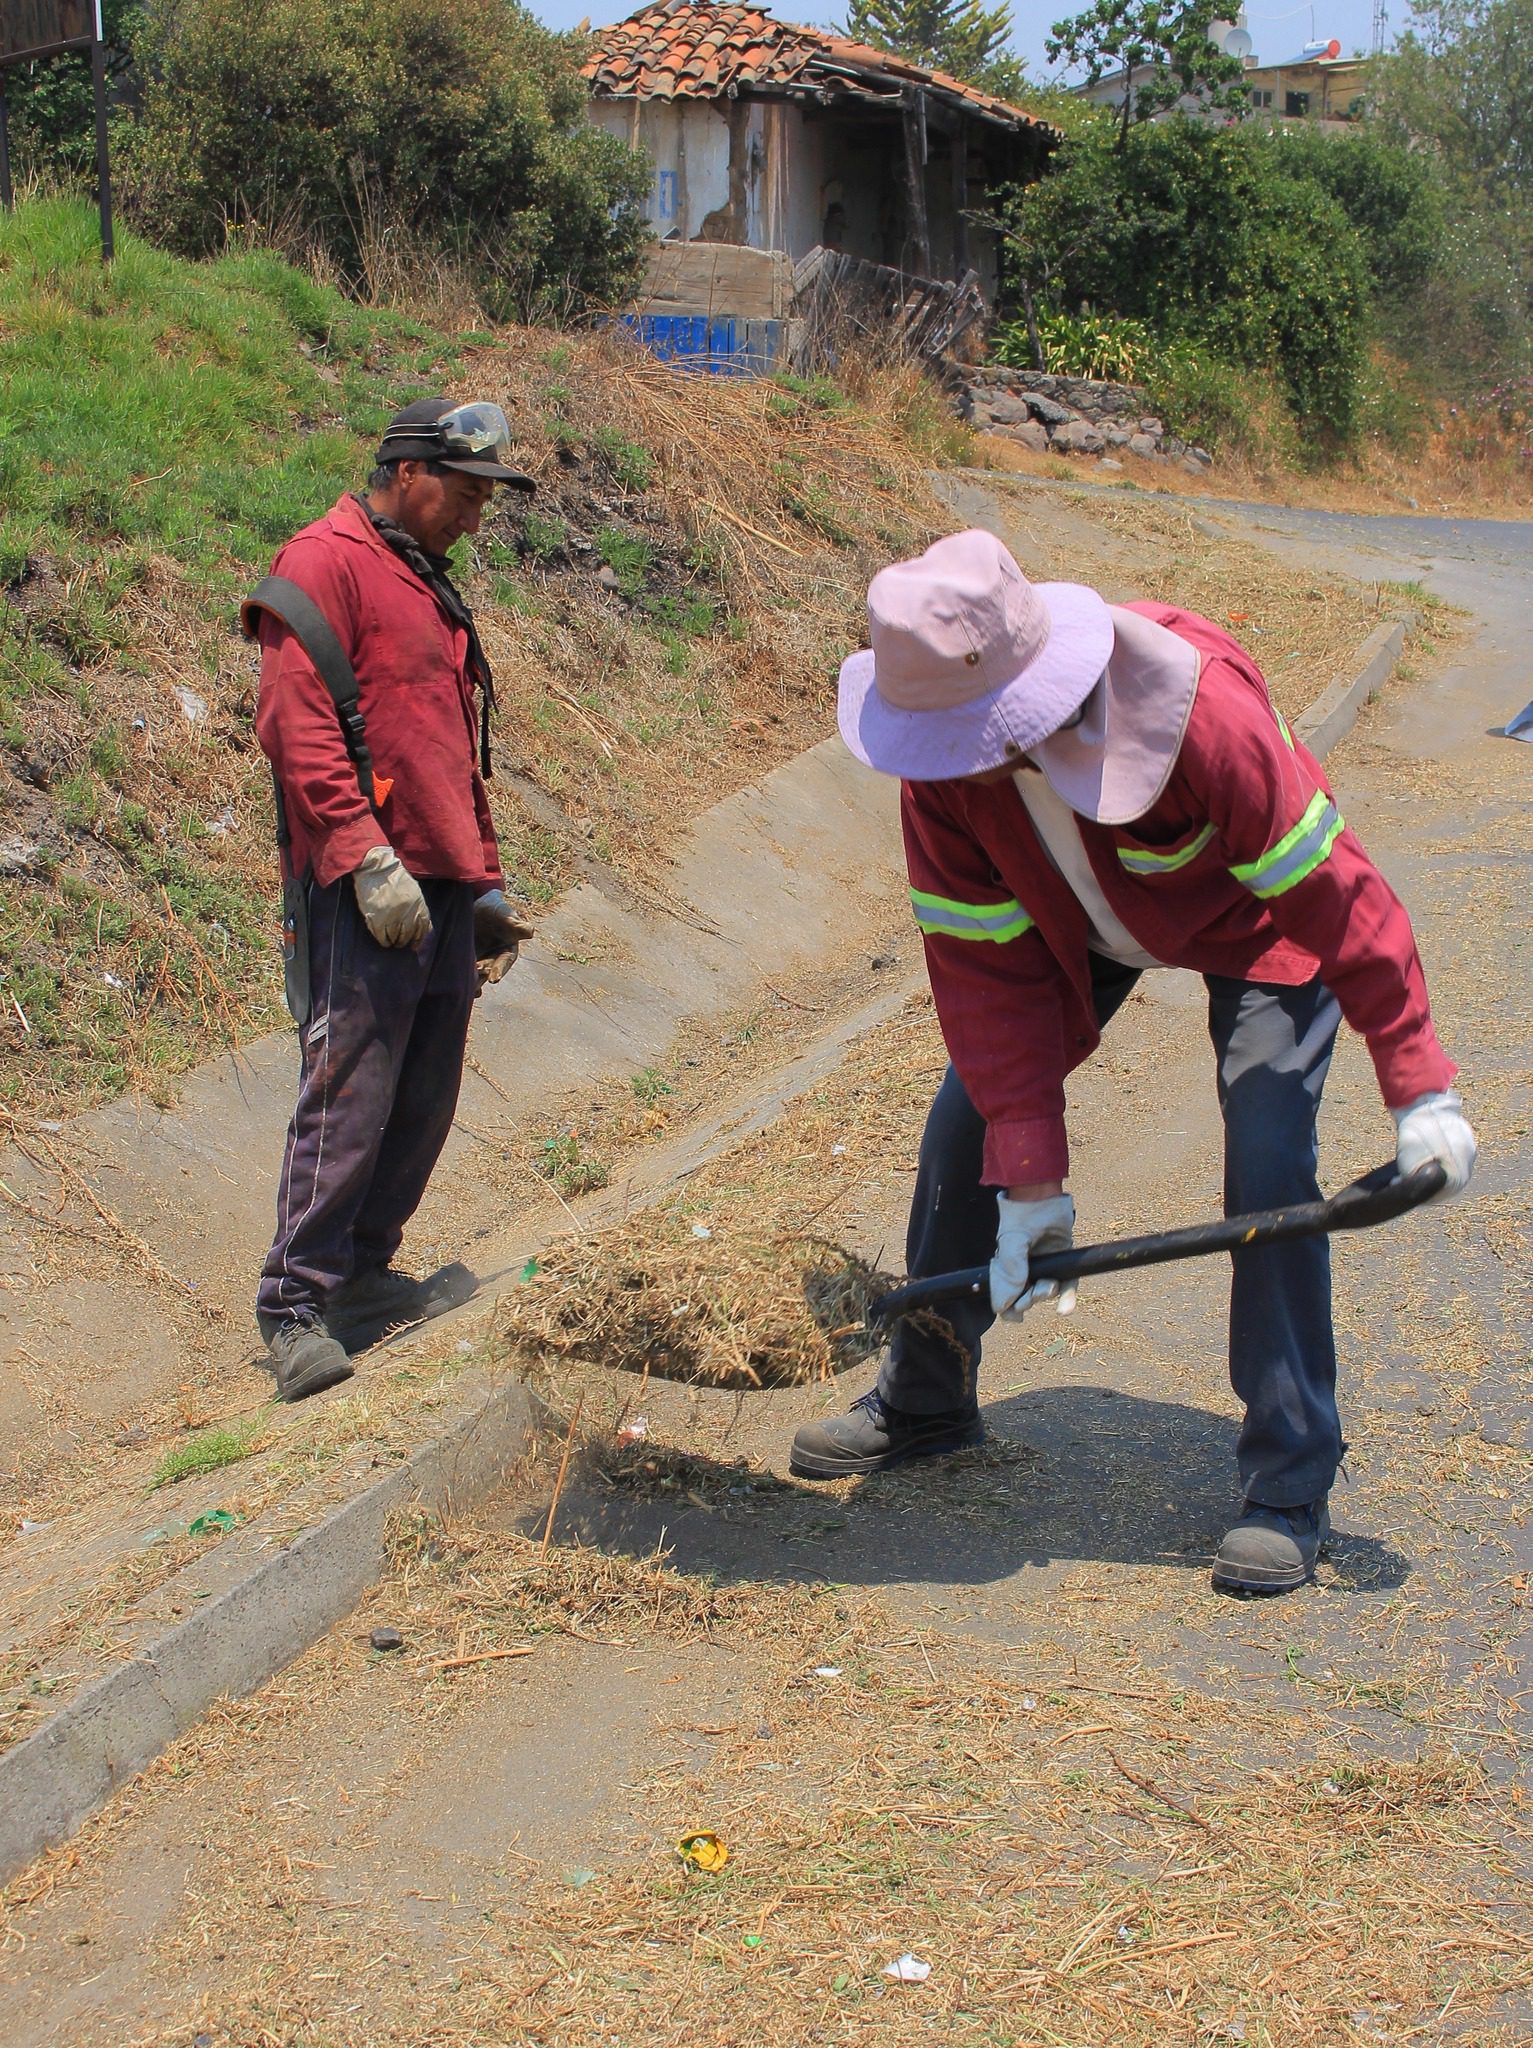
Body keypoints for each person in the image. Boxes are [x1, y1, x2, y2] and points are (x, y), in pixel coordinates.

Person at [790, 528, 1477, 1595]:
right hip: (1080, 923)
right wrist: (1031, 1183)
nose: (963, 759)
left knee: (1268, 1149)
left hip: (1252, 923)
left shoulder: (1201, 714)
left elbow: (1338, 901)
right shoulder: (941, 765)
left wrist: (1420, 1083)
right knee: (965, 1124)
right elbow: (986, 978)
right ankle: (927, 1393)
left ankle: (1288, 1479)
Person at [247, 398, 535, 1402]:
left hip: (440, 879)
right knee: (352, 1087)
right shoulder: (326, 559)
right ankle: (294, 1304)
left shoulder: (421, 577)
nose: (473, 517)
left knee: (423, 1090)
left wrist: (480, 871)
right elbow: (295, 722)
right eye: (462, 495)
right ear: (407, 471)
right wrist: (366, 856)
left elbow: (447, 740)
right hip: (366, 883)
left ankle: (365, 1273)